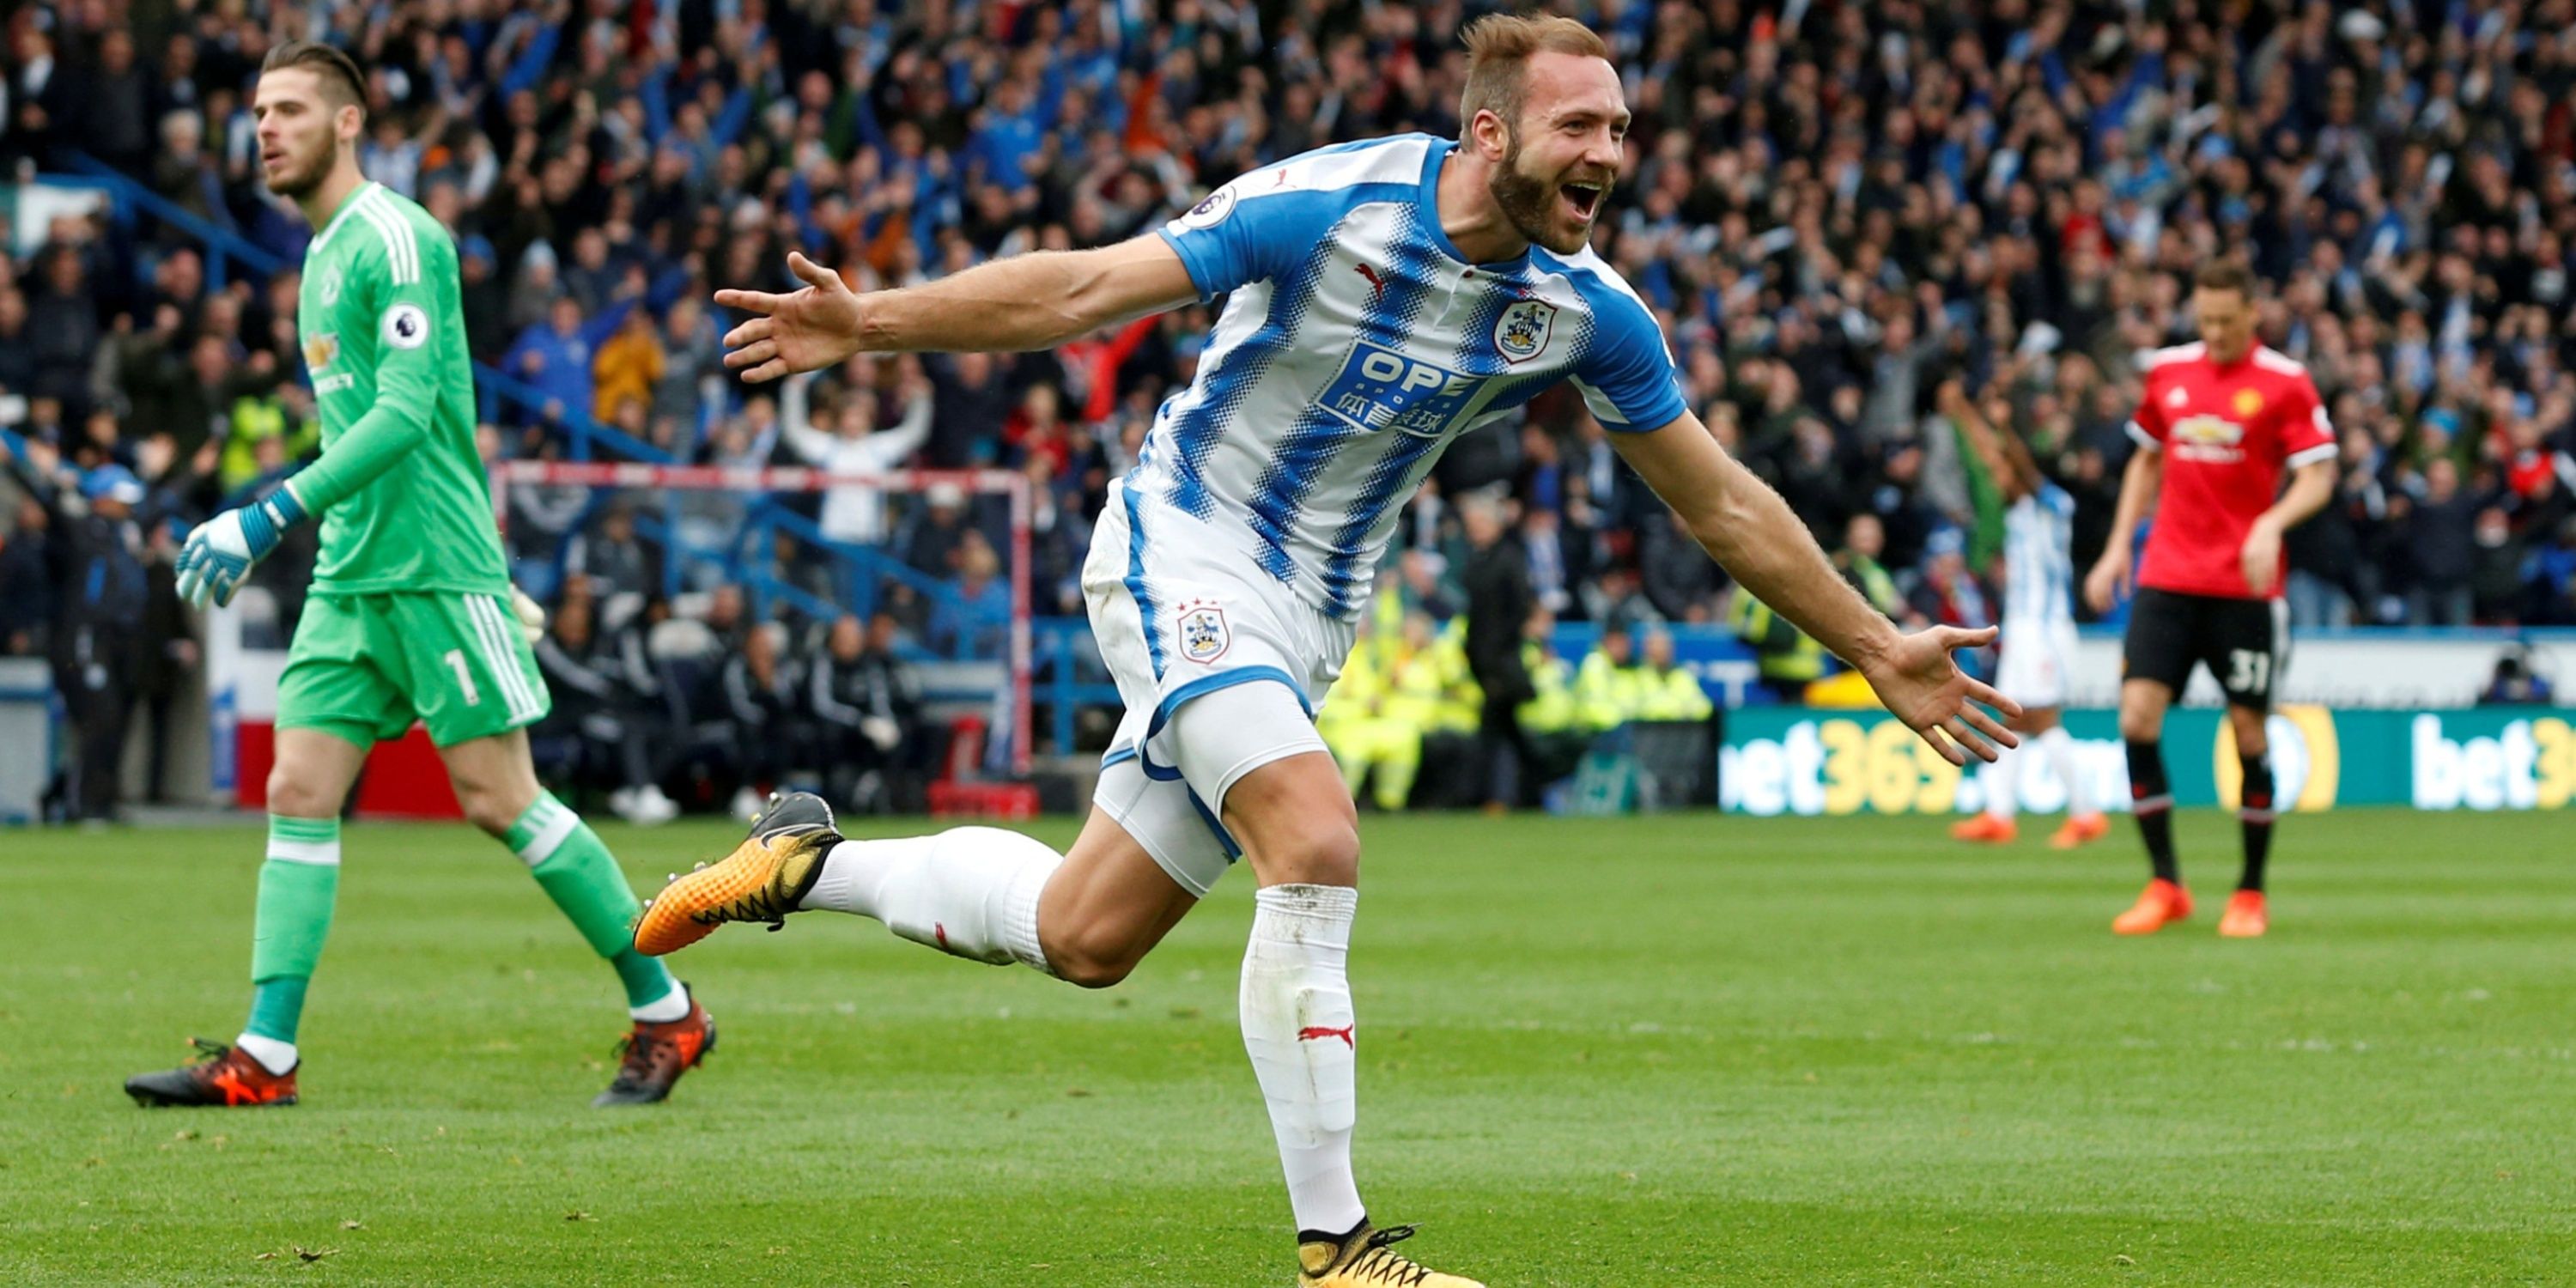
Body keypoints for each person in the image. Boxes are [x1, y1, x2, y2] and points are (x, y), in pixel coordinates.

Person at [637, 16, 2014, 1286]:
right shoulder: (1325, 205)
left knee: (1086, 935)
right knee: (1318, 835)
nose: (1609, 153)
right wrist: (871, 320)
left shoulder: (1587, 309)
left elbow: (1714, 498)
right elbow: (1083, 291)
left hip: (1307, 619)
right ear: (1489, 135)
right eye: (1580, 125)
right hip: (1182, 548)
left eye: (1621, 128)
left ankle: (804, 861)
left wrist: (1876, 641)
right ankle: (1340, 1246)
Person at [125, 43, 713, 1111]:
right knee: (298, 791)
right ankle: (266, 1055)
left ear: (348, 123)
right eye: (259, 111)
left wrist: (268, 512)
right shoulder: (316, 256)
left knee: (502, 801)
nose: (266, 128)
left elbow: (405, 414)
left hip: (433, 566)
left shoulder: (399, 239)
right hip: (352, 574)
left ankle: (668, 1009)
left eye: (291, 109)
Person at [2083, 260, 2337, 939]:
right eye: (2207, 320)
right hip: (2166, 576)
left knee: (2250, 732)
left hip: (2244, 590)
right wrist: (2116, 549)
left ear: (2254, 313)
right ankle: (2165, 883)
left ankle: (2250, 892)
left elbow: (2319, 475)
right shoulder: (2169, 372)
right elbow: (2145, 460)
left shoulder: (2285, 382)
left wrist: (2271, 522)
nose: (2217, 332)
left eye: (2229, 320)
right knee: (2137, 719)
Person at [1941, 383, 2107, 850]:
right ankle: (2000, 814)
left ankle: (2086, 812)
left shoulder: (2052, 505)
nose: (1999, 477)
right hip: (2026, 625)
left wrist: (2002, 427)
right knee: (2011, 717)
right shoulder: (2021, 510)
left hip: (2046, 626)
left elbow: (2014, 463)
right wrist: (1963, 414)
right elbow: (1995, 461)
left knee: (2041, 717)